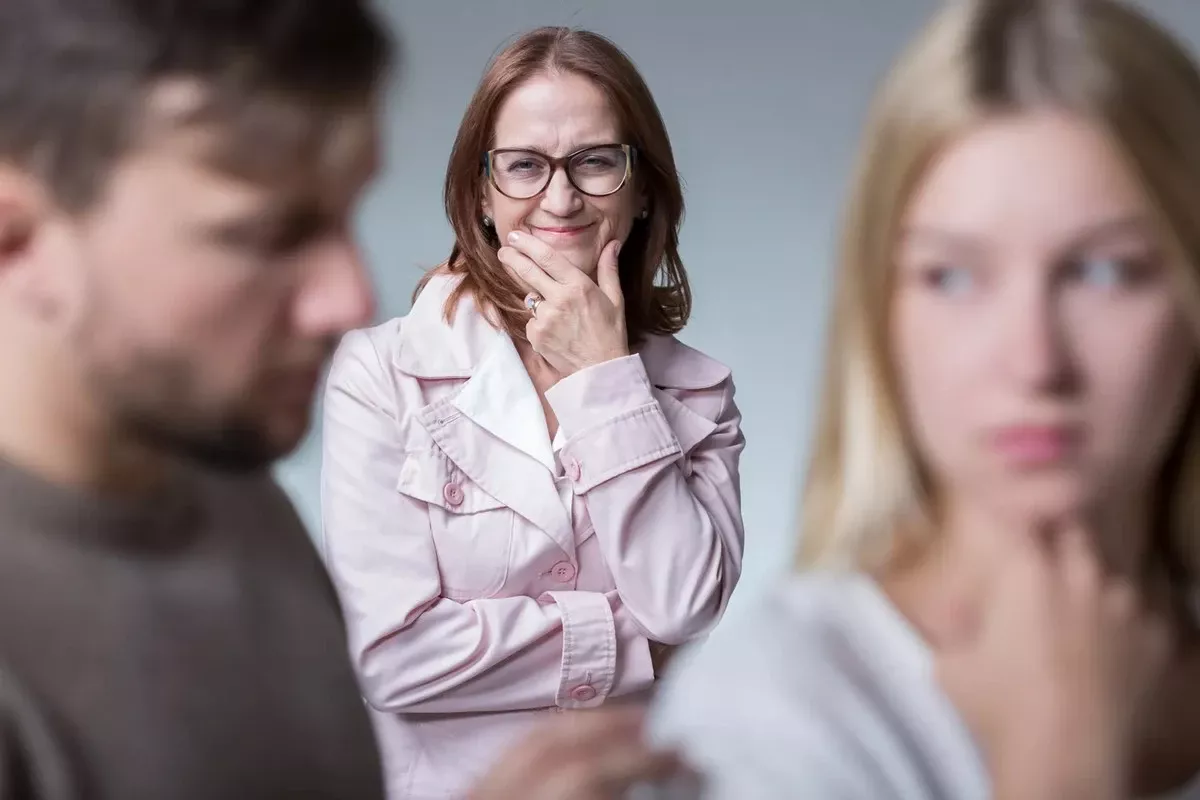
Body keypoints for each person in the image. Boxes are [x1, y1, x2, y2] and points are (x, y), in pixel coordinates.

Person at [650, 0, 1200, 798]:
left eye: (1105, 270)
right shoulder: (768, 715)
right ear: (879, 311)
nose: (1035, 364)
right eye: (953, 276)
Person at [320, 25, 746, 800]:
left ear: (641, 185)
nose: (560, 197)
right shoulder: (381, 375)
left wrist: (607, 377)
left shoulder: (697, 393)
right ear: (481, 194)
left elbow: (681, 604)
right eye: (524, 166)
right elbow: (390, 656)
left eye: (595, 162)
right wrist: (631, 639)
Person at [0, 0, 393, 797]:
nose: (351, 299)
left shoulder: (242, 501)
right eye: (268, 235)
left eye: (348, 215)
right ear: (18, 239)